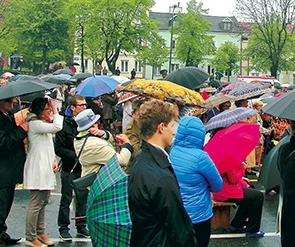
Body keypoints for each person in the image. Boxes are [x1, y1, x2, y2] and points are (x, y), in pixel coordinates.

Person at [128, 99, 198, 247]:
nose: (173, 131)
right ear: (160, 128)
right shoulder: (161, 177)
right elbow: (179, 227)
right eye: (171, 126)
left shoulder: (141, 158)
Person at [169, 116, 223, 247]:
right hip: (199, 214)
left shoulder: (171, 152)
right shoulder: (201, 157)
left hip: (177, 212)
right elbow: (218, 185)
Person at [0, 95, 28, 246]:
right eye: (7, 101)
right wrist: (22, 130)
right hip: (0, 169)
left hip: (8, 169)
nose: (12, 103)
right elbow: (3, 144)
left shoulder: (5, 115)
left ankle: (1, 234)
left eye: (12, 100)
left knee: (5, 205)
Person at [211, 118, 265, 238]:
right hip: (224, 191)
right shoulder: (227, 152)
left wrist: (241, 178)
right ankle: (253, 229)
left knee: (250, 191)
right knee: (258, 196)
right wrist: (242, 168)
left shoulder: (219, 148)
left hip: (220, 188)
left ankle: (237, 223)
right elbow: (233, 178)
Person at [23, 97, 62, 247]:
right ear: (40, 111)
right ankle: (30, 236)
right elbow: (58, 126)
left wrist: (53, 160)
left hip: (45, 165)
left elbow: (47, 145)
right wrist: (56, 109)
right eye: (48, 109)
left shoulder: (42, 123)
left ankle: (40, 232)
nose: (51, 112)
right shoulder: (35, 123)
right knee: (36, 203)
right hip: (38, 167)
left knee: (43, 201)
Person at [53, 94, 90, 242]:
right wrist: (76, 154)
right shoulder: (64, 124)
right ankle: (63, 228)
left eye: (85, 105)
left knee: (82, 199)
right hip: (70, 167)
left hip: (84, 166)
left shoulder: (87, 122)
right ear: (73, 107)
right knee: (66, 199)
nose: (84, 108)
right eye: (81, 105)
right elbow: (59, 149)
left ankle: (81, 225)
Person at [73, 108, 133, 177]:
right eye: (97, 122)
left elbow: (111, 140)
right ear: (93, 125)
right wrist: (127, 145)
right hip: (101, 181)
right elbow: (122, 161)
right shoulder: (96, 144)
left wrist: (102, 133)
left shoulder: (79, 138)